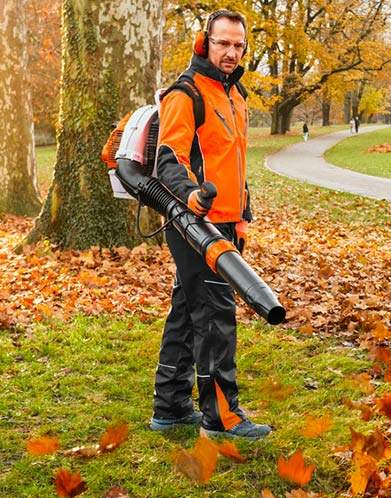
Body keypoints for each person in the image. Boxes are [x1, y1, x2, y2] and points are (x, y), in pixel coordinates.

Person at [149, 9, 271, 440]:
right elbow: (170, 159)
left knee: (187, 311)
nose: (231, 52)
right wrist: (192, 196)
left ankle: (170, 405)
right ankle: (222, 416)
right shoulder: (188, 94)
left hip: (228, 222)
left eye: (238, 45)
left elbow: (233, 160)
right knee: (217, 317)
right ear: (205, 43)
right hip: (196, 225)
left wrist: (244, 214)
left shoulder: (235, 94)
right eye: (222, 43)